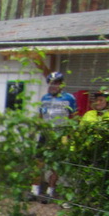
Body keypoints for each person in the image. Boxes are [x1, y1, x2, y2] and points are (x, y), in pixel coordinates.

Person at [30, 71, 76, 203]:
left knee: (55, 165)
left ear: (61, 84)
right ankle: (34, 191)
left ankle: (50, 193)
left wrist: (70, 136)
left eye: (56, 83)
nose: (53, 86)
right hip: (45, 134)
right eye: (50, 83)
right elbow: (40, 116)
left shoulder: (69, 98)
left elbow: (73, 117)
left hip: (60, 135)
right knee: (38, 163)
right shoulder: (44, 98)